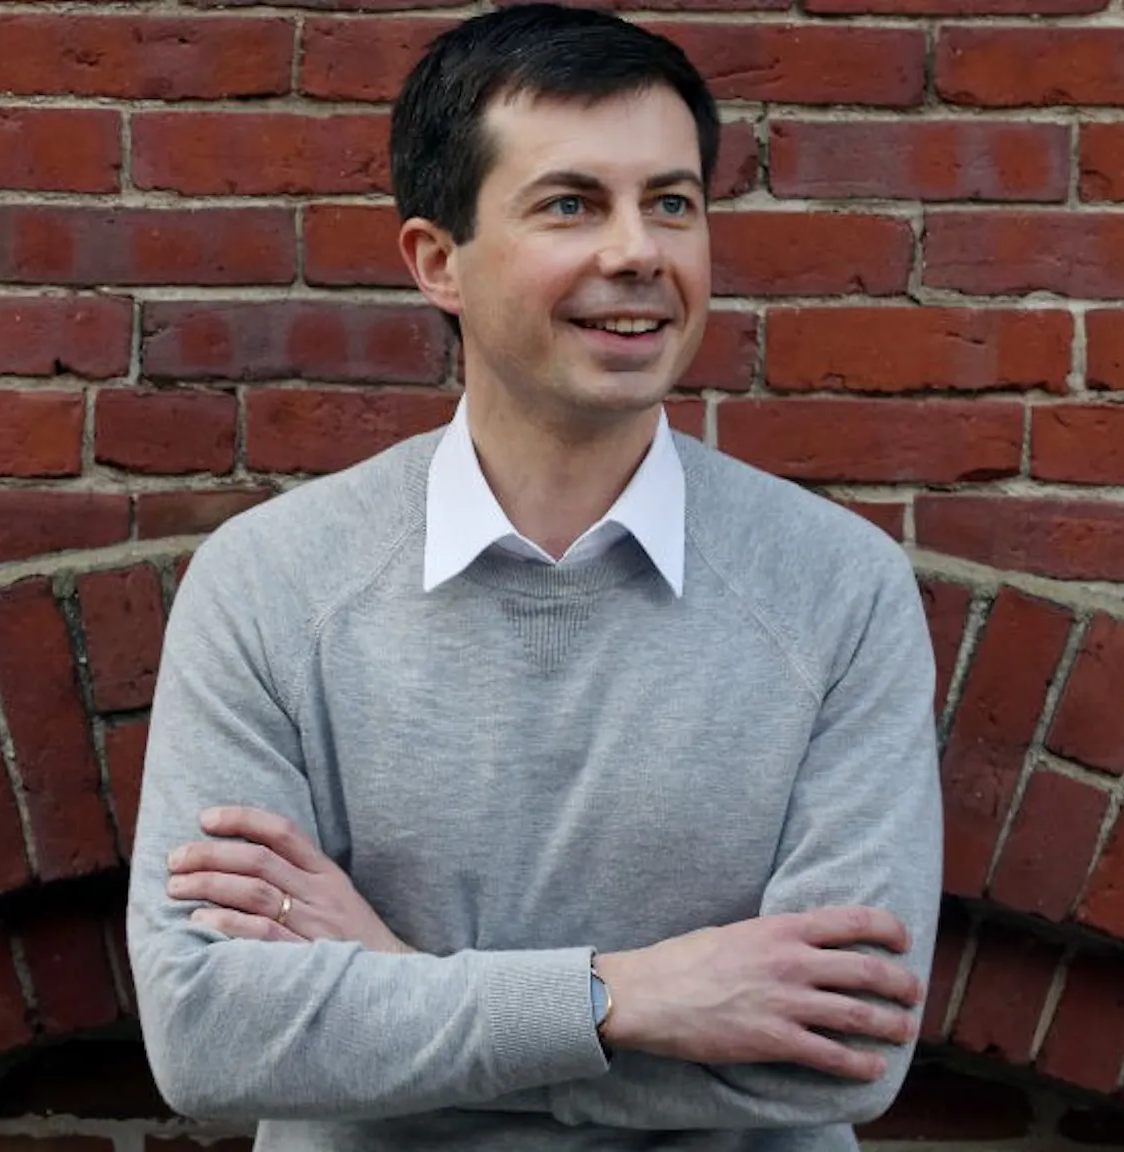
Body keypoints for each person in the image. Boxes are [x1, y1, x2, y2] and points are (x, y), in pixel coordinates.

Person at [124, 5, 945, 1148]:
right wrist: (630, 999)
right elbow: (208, 1034)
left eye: (671, 202)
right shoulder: (271, 585)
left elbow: (842, 1059)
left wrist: (395, 986)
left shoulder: (835, 589)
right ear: (436, 262)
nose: (637, 253)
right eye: (570, 204)